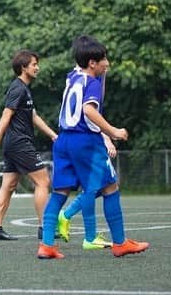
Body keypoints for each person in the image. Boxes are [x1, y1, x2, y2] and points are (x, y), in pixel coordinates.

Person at [37, 35, 149, 259]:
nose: (107, 63)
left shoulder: (74, 76)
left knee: (59, 192)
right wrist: (113, 131)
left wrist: (101, 73)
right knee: (110, 187)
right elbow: (89, 110)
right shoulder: (92, 83)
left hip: (63, 141)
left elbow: (94, 95)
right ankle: (120, 243)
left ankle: (47, 244)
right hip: (85, 141)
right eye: (104, 59)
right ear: (92, 63)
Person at [0, 50, 57, 241]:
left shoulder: (24, 89)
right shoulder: (18, 88)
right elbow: (6, 115)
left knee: (8, 185)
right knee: (43, 182)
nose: (37, 67)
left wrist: (53, 135)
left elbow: (34, 117)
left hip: (14, 143)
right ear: (23, 67)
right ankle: (44, 227)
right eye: (34, 64)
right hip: (19, 143)